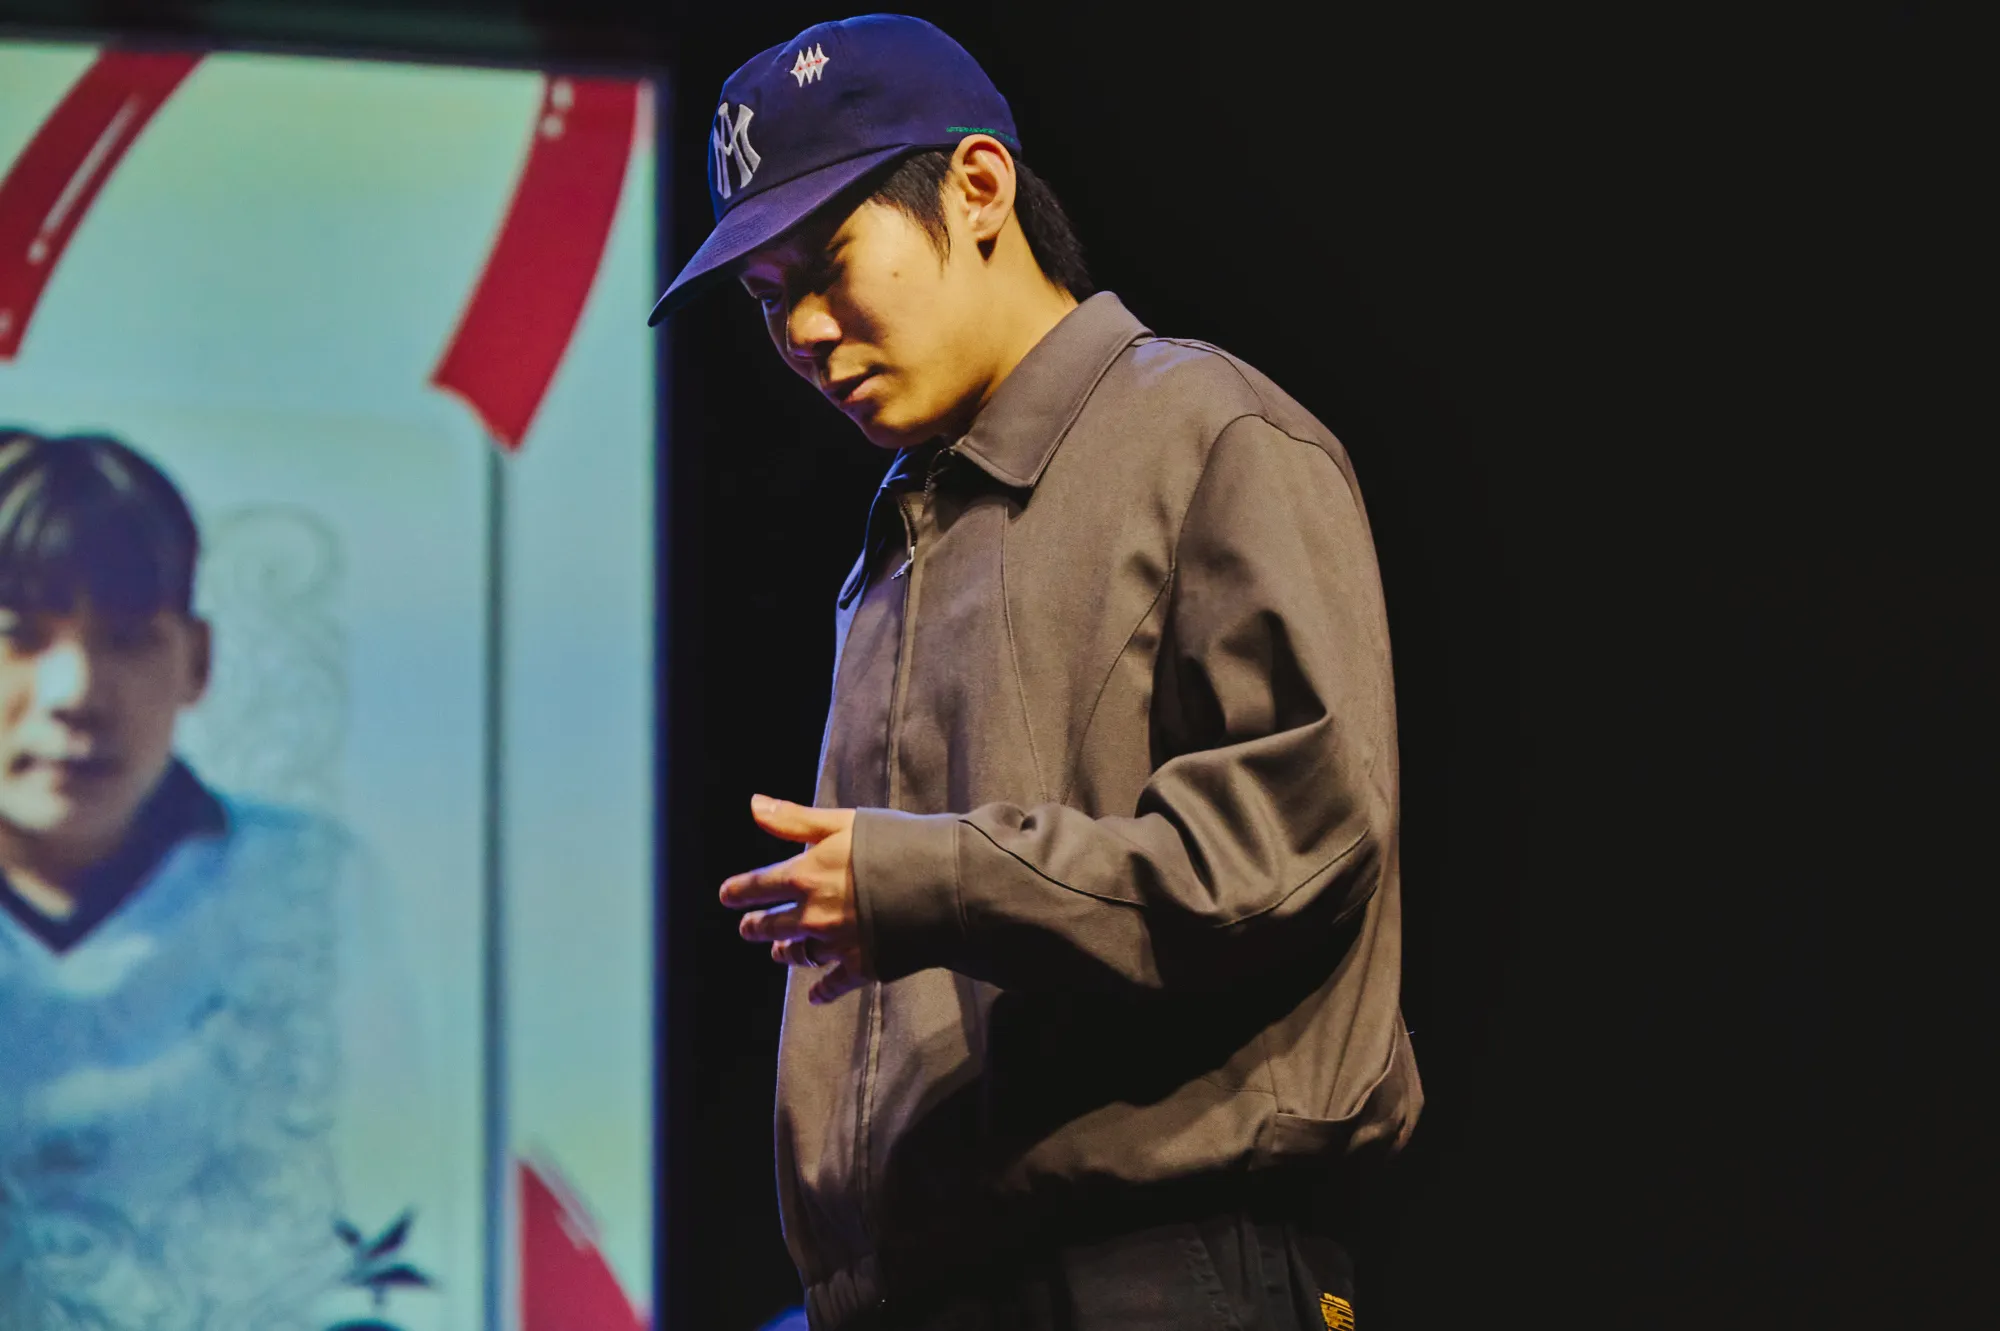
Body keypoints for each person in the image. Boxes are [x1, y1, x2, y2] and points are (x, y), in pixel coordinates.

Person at [654, 16, 1421, 1330]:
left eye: (827, 265)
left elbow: (1289, 845)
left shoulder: (1207, 432)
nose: (805, 330)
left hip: (1154, 1269)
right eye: (768, 297)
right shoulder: (908, 535)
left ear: (978, 186)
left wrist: (926, 877)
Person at [0, 428, 440, 1331]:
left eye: (126, 638)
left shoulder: (311, 889)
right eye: (20, 636)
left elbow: (396, 1233)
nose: (74, 692)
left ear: (197, 659)